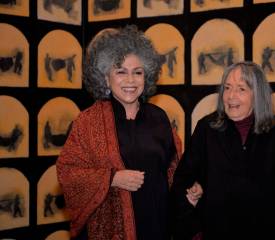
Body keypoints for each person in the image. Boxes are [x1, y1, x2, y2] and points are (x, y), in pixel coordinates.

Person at [56, 25, 201, 240]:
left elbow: (174, 172)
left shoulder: (159, 118)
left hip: (157, 226)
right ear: (106, 78)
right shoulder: (88, 121)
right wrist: (112, 178)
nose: (130, 81)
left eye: (138, 72)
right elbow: (67, 173)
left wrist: (190, 193)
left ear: (147, 76)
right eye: (121, 72)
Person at [171, 61, 275, 240]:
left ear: (257, 95)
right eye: (227, 88)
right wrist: (194, 232)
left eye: (241, 89)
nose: (231, 96)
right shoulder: (206, 129)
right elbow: (181, 182)